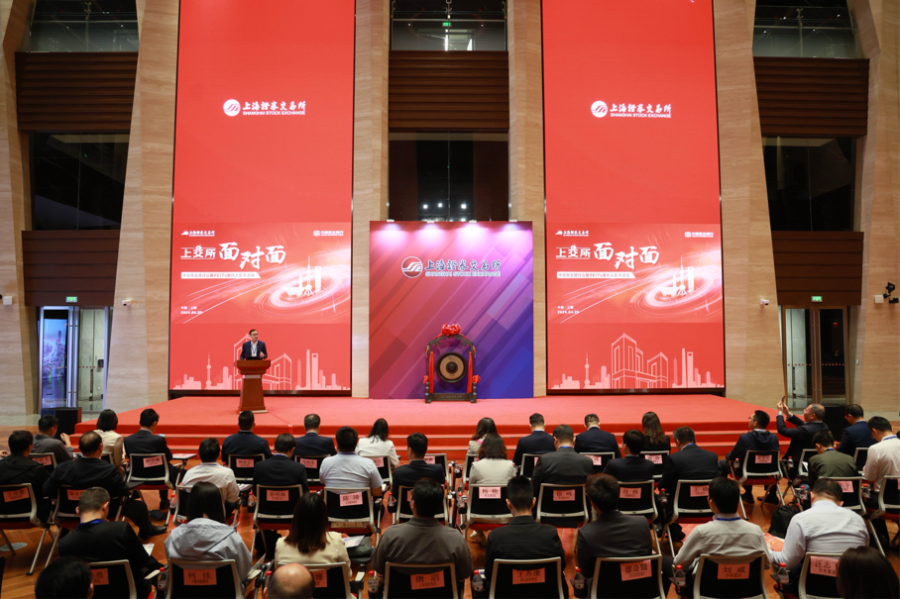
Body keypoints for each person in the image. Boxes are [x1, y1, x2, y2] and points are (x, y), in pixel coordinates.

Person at [44, 431, 166, 538]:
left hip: (67, 511)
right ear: (100, 446)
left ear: (80, 448)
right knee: (139, 506)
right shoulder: (108, 469)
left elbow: (47, 490)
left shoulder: (62, 468)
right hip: (102, 511)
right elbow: (122, 492)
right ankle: (146, 531)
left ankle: (64, 531)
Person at [576, 474, 673, 597]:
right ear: (618, 496)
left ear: (592, 503)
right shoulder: (641, 523)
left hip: (605, 593)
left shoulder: (586, 533)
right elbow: (646, 554)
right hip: (642, 590)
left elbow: (587, 572)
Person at [371, 479, 473, 595]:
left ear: (413, 504)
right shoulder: (456, 538)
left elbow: (379, 568)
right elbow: (465, 572)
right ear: (440, 506)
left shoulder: (390, 535)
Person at [674, 477, 770, 598]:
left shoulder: (701, 532)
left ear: (711, 502)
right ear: (738, 502)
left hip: (707, 593)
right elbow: (766, 564)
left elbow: (679, 563)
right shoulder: (756, 531)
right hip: (747, 592)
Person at [58, 487, 163, 598]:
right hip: (129, 592)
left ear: (77, 510)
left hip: (90, 595)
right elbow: (143, 561)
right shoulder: (121, 529)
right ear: (105, 506)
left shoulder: (64, 544)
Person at [770, 479, 869, 594]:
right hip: (852, 589)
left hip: (811, 589)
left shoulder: (801, 519)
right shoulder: (858, 520)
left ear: (812, 496)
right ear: (841, 503)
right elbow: (863, 552)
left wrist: (768, 550)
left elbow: (786, 562)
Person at [481, 475, 567, 599]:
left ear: (508, 504)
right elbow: (560, 567)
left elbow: (490, 574)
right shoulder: (550, 533)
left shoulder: (496, 537)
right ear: (533, 502)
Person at [165, 481, 252, 582]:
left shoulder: (173, 537)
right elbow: (244, 572)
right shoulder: (231, 537)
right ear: (219, 505)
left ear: (190, 505)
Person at [253, 433, 310, 559]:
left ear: (274, 447)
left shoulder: (260, 466)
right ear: (292, 450)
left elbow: (256, 492)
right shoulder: (298, 468)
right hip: (293, 517)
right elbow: (305, 495)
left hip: (265, 515)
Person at [659, 426, 719, 544]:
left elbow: (663, 486)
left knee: (659, 497)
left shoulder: (674, 458)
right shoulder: (712, 456)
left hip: (680, 508)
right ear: (694, 439)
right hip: (710, 506)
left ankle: (672, 530)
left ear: (677, 441)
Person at [273, 493, 351, 582]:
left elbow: (278, 579)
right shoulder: (336, 540)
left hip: (294, 591)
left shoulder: (280, 544)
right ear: (324, 518)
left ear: (296, 517)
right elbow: (347, 575)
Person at [124, 408, 180, 517]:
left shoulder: (128, 440)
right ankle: (168, 501)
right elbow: (168, 457)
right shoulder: (158, 440)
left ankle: (164, 500)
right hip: (159, 478)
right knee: (175, 471)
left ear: (140, 422)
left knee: (161, 465)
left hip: (136, 478)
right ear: (154, 423)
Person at [719, 410, 780, 503]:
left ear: (755, 423)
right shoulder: (774, 438)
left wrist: (728, 456)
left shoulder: (745, 438)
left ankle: (722, 495)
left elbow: (732, 456)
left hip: (747, 472)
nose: (749, 420)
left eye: (750, 418)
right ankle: (772, 496)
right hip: (768, 473)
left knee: (722, 463)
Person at [862, 416, 899, 548]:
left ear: (874, 431)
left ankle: (880, 536)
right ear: (891, 428)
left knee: (861, 500)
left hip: (883, 501)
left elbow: (869, 477)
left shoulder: (876, 448)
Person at [179, 438, 241, 516]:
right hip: (218, 513)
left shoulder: (189, 473)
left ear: (199, 454)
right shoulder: (227, 473)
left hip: (193, 514)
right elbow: (233, 498)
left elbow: (184, 496)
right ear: (219, 454)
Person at [0, 430, 51, 521]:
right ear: (30, 447)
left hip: (2, 514)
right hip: (33, 515)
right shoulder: (36, 469)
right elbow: (49, 489)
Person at [531, 424, 593, 498]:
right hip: (579, 504)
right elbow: (590, 489)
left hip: (548, 504)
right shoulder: (587, 461)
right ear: (574, 440)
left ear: (555, 440)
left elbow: (533, 487)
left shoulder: (544, 460)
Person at [319, 427, 383, 497]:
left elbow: (323, 481)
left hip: (332, 504)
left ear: (337, 444)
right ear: (356, 443)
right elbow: (377, 493)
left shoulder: (326, 462)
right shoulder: (368, 464)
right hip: (361, 504)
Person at [776, 398, 829, 478]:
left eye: (805, 410)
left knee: (776, 464)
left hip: (797, 467)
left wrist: (780, 413)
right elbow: (806, 426)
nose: (804, 412)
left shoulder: (805, 430)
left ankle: (777, 488)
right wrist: (787, 413)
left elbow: (782, 430)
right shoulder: (824, 426)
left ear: (813, 416)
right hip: (817, 464)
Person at [390, 432, 445, 498]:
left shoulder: (399, 472)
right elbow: (441, 491)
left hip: (406, 504)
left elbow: (395, 495)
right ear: (425, 449)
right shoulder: (437, 470)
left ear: (410, 450)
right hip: (432, 504)